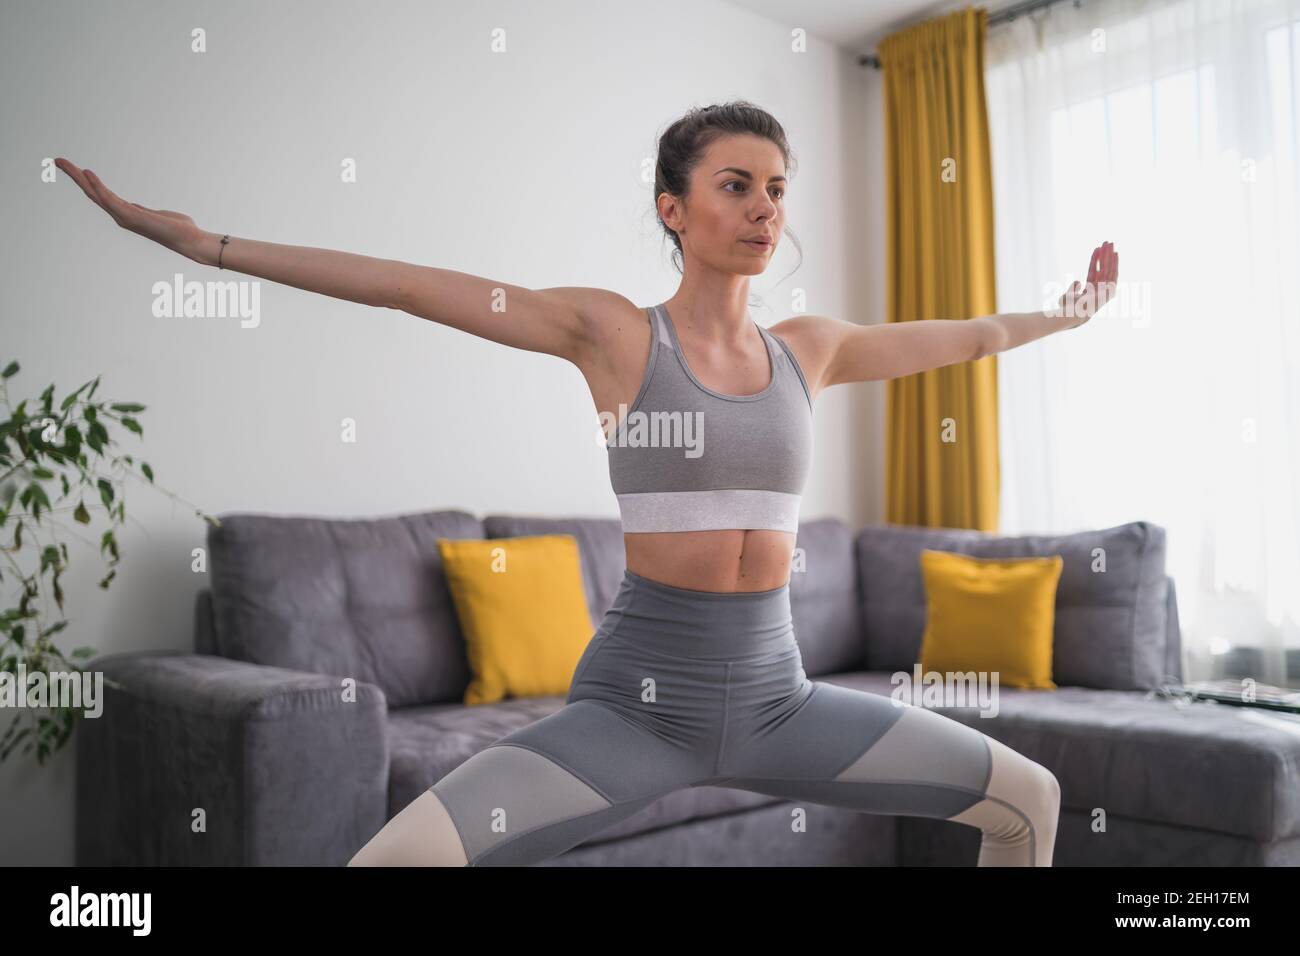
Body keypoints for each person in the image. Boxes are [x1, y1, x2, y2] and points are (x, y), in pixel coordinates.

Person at [59, 100, 1117, 868]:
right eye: (735, 184)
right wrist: (210, 248)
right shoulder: (615, 333)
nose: (764, 206)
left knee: (1026, 795)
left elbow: (967, 336)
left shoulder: (812, 347)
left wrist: (1062, 313)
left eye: (777, 186)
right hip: (636, 707)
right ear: (674, 208)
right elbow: (408, 288)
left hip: (779, 698)